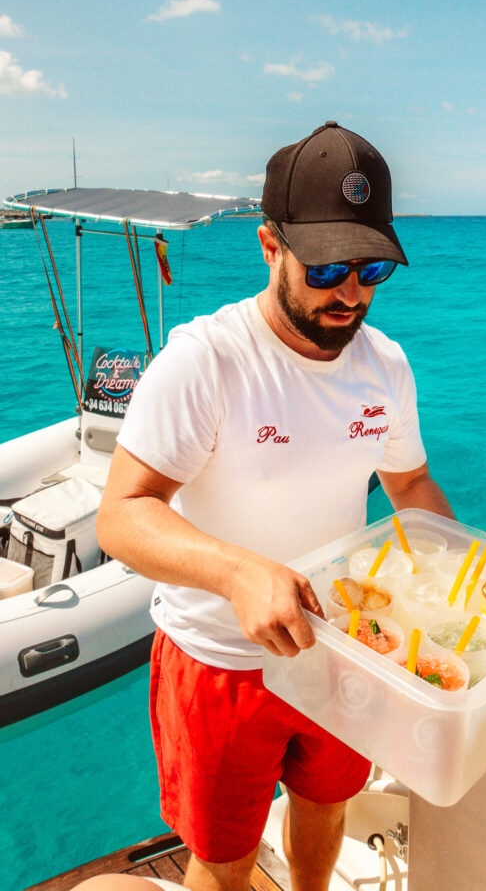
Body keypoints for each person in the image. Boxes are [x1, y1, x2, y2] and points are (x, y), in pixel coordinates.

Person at [97, 121, 454, 891]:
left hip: (343, 650)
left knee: (327, 805)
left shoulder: (384, 365)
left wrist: (464, 573)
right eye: (326, 267)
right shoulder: (206, 359)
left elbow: (412, 487)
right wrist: (236, 573)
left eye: (370, 271)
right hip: (220, 662)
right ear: (269, 246)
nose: (350, 293)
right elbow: (122, 513)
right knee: (223, 861)